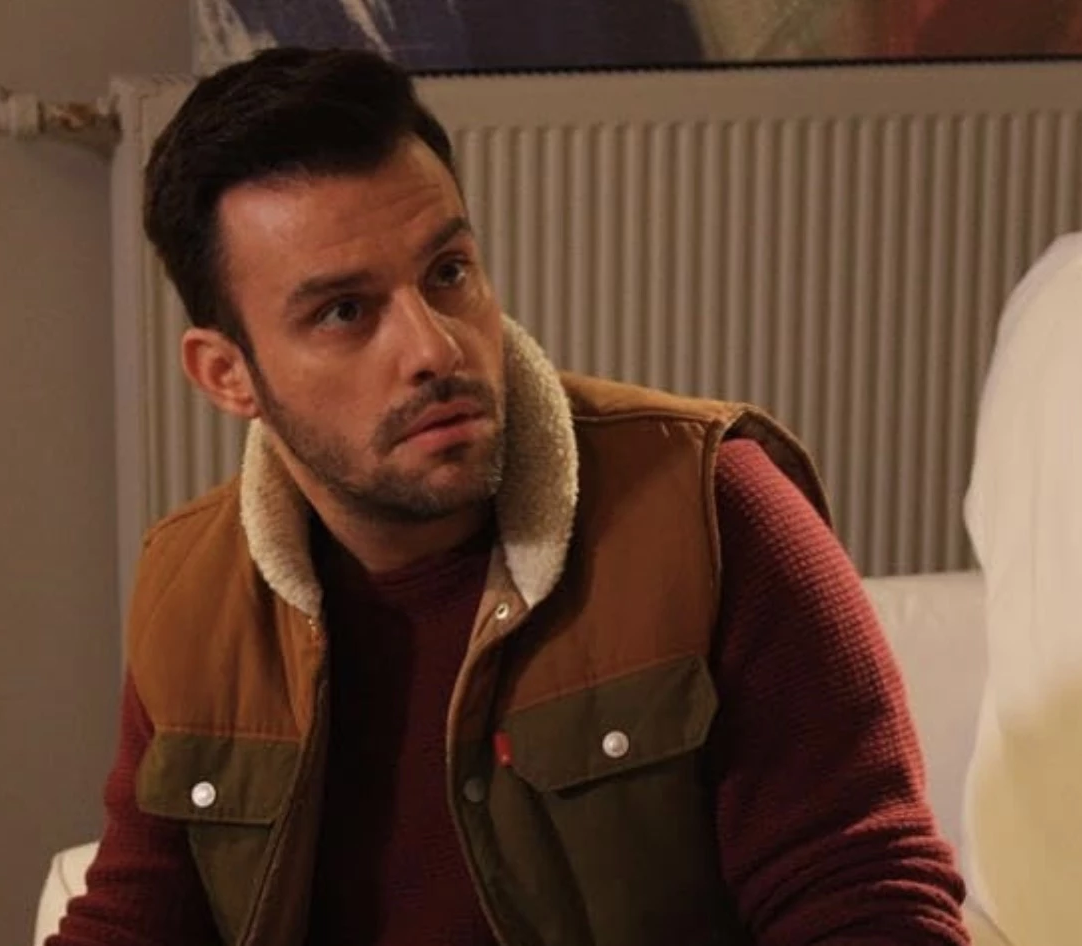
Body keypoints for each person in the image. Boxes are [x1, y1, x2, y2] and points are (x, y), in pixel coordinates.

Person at [50, 46, 970, 946]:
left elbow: (868, 897)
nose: (434, 348)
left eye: (448, 273)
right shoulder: (191, 589)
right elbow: (136, 914)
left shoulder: (712, 508)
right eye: (344, 312)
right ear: (227, 374)